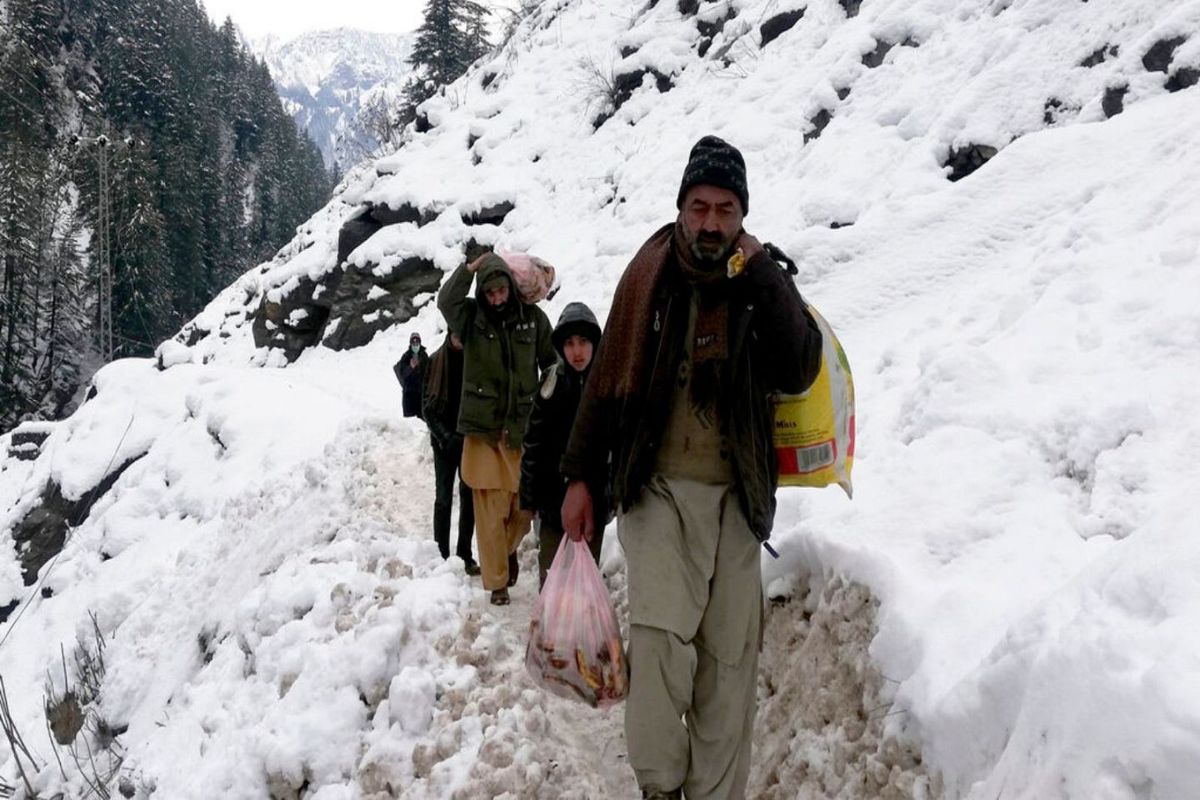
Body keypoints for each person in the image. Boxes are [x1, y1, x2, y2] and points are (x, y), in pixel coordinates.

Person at [559, 135, 823, 800]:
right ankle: (661, 786)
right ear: (681, 207)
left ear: (742, 215)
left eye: (726, 209)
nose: (711, 222)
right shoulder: (649, 277)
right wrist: (580, 477)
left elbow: (799, 366)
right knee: (658, 647)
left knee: (728, 666)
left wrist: (763, 273)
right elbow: (604, 386)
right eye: (700, 206)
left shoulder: (760, 283)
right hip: (657, 491)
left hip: (736, 500)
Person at [438, 252, 555, 606]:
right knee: (489, 512)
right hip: (483, 431)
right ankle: (497, 582)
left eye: (501, 291)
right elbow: (447, 300)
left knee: (523, 506)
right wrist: (470, 268)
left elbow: (552, 361)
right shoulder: (470, 318)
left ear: (510, 288)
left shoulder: (533, 321)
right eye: (489, 293)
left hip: (521, 429)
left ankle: (507, 551)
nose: (496, 299)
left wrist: (549, 393)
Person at [519, 302, 606, 590]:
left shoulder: (606, 384)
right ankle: (552, 633)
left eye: (583, 342)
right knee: (553, 577)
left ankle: (581, 631)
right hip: (552, 502)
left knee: (585, 576)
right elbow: (534, 442)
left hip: (593, 504)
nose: (577, 351)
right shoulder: (553, 383)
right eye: (569, 343)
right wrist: (529, 498)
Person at [422, 331, 480, 576]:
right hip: (444, 444)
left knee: (469, 499)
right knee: (444, 498)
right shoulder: (436, 361)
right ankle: (441, 554)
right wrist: (446, 437)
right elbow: (427, 408)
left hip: (470, 442)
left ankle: (464, 554)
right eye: (456, 334)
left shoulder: (476, 362)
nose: (460, 339)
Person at [394, 332, 429, 418]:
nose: (415, 344)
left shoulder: (424, 355)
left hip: (422, 393)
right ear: (410, 343)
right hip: (409, 393)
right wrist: (411, 367)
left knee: (423, 417)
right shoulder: (406, 356)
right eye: (413, 342)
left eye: (417, 342)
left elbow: (428, 371)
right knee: (411, 420)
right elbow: (402, 374)